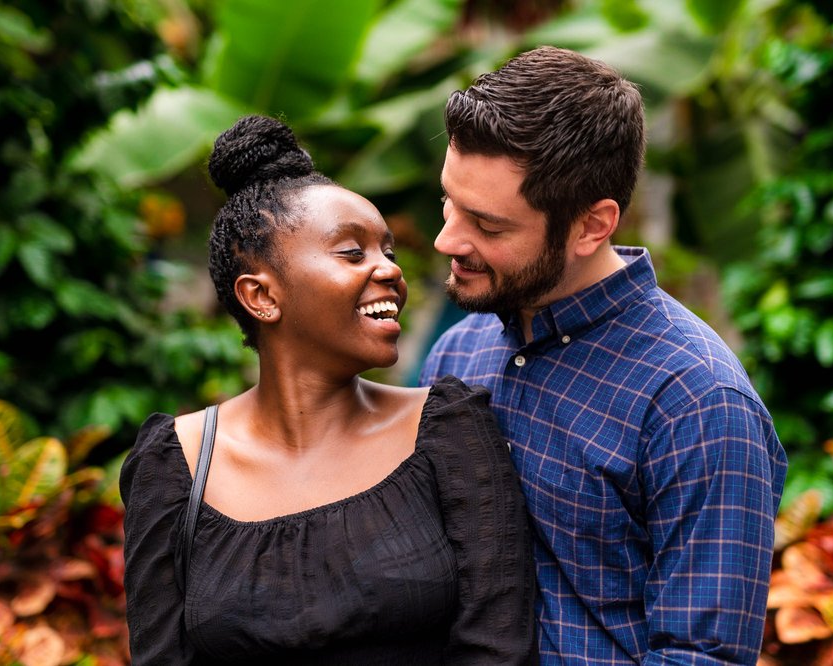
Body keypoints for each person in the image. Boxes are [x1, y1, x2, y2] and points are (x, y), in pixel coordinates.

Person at [120, 115, 536, 665]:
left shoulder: (450, 433)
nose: (390, 269)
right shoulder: (175, 466)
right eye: (353, 252)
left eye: (388, 250)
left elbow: (497, 650)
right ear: (261, 296)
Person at [420, 46, 788, 665]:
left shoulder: (695, 401)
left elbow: (702, 656)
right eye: (449, 203)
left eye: (489, 225)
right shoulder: (459, 351)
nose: (446, 240)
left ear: (593, 225)